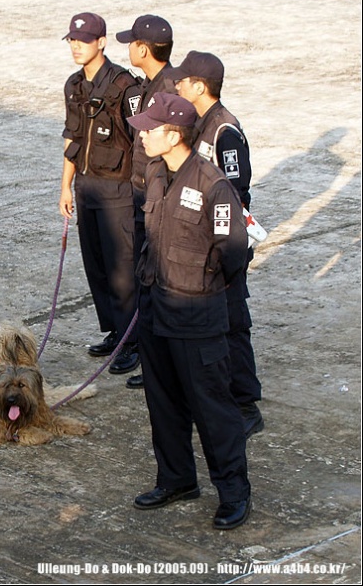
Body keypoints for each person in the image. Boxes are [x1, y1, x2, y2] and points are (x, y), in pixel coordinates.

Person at [127, 92, 251, 530]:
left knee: (212, 408)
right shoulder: (157, 172)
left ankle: (234, 492)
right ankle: (177, 479)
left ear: (173, 134)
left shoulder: (213, 185)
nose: (142, 134)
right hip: (156, 309)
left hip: (196, 315)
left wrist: (200, 282)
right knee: (163, 403)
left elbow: (233, 251)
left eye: (150, 128)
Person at [172, 50, 264, 438]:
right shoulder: (200, 123)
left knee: (232, 325)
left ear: (199, 86)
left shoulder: (224, 130)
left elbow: (233, 192)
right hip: (201, 242)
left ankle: (246, 404)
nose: (176, 84)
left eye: (183, 79)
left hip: (224, 242)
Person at [59, 13, 143, 376]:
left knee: (122, 269)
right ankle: (114, 331)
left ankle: (133, 340)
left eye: (85, 40)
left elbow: (142, 140)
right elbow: (72, 136)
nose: (77, 46)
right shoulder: (74, 85)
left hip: (120, 187)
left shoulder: (125, 86)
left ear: (102, 42)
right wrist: (65, 184)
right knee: (96, 264)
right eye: (73, 40)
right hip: (87, 185)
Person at [115, 15, 177, 389]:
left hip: (154, 197)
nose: (129, 47)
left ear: (143, 48)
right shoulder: (155, 84)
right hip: (143, 194)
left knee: (157, 284)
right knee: (146, 281)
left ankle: (158, 367)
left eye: (132, 42)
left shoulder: (167, 88)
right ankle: (150, 360)